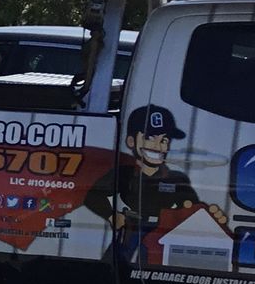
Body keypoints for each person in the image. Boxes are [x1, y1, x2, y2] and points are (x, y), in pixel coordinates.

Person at [83, 103, 228, 264]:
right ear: (131, 141)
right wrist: (111, 215)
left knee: (149, 264)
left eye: (164, 140)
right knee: (114, 263)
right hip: (131, 228)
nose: (157, 146)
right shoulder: (124, 173)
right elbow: (92, 195)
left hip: (161, 231)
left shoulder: (176, 178)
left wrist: (209, 217)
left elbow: (191, 208)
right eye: (149, 138)